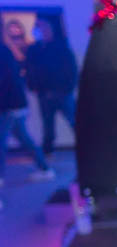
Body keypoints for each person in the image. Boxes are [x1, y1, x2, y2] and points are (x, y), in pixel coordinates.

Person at [1, 42, 54, 186]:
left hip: (9, 105)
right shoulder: (5, 51)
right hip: (14, 103)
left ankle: (45, 169)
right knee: (23, 138)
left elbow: (4, 80)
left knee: (4, 140)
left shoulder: (3, 52)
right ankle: (45, 168)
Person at [24, 17, 77, 155]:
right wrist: (33, 87)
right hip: (44, 94)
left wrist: (68, 88)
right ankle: (47, 152)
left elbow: (71, 69)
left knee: (74, 121)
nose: (42, 31)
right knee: (48, 126)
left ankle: (88, 147)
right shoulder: (33, 50)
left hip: (63, 93)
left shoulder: (61, 47)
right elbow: (29, 69)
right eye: (39, 28)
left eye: (45, 28)